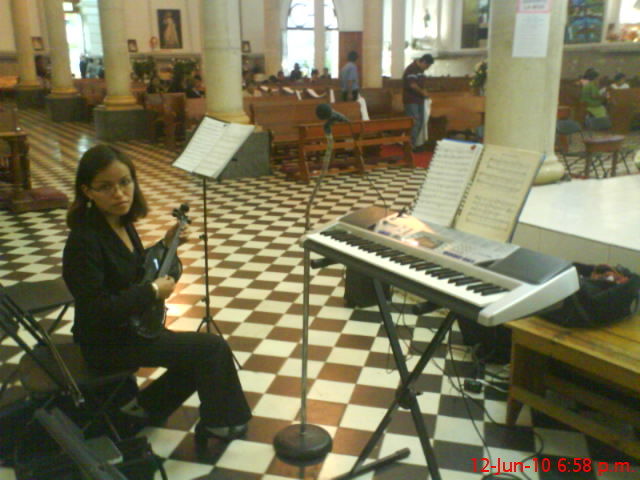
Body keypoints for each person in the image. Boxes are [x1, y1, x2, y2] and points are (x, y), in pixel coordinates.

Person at [62, 145, 251, 445]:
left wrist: (165, 245)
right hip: (107, 341)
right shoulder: (84, 240)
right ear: (87, 191)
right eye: (106, 187)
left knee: (197, 353)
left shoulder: (119, 222)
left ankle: (144, 407)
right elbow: (99, 308)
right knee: (211, 349)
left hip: (130, 327)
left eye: (125, 182)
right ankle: (223, 424)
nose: (120, 193)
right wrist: (151, 290)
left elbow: (132, 269)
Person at [402, 54, 434, 151]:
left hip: (419, 100)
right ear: (423, 62)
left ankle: (415, 143)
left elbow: (421, 84)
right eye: (427, 66)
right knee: (414, 122)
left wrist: (425, 92)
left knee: (419, 122)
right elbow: (412, 85)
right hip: (411, 100)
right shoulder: (411, 69)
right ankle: (410, 146)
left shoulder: (421, 71)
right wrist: (422, 92)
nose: (427, 68)